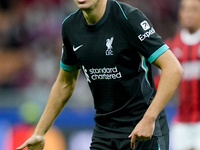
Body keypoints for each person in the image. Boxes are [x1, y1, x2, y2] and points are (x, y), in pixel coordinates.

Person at [16, 0, 183, 150]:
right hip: (105, 132)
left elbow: (173, 68)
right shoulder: (70, 26)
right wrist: (40, 132)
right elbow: (65, 83)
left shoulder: (129, 18)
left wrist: (149, 119)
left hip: (143, 128)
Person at [164, 0, 200, 150]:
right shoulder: (171, 47)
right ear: (180, 14)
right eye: (185, 9)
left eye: (194, 10)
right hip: (181, 123)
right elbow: (160, 83)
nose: (189, 14)